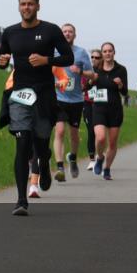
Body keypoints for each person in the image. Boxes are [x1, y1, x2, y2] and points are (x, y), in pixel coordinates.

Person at [0, 0, 73, 216]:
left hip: (44, 96)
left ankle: (45, 160)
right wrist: (0, 61)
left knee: (40, 142)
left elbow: (67, 57)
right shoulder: (10, 33)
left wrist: (46, 60)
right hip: (19, 95)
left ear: (38, 6)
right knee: (22, 143)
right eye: (23, 4)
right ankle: (21, 200)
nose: (26, 7)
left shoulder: (50, 30)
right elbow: (2, 59)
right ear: (18, 6)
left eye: (30, 4)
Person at [52, 23, 94, 181]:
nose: (67, 34)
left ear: (74, 35)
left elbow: (92, 75)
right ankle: (60, 167)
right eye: (64, 32)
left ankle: (73, 158)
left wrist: (81, 71)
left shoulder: (81, 53)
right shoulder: (54, 52)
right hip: (58, 98)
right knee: (60, 131)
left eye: (70, 32)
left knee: (74, 135)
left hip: (76, 100)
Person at [89, 42, 127, 180]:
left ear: (114, 52)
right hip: (99, 108)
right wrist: (90, 81)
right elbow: (86, 88)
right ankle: (99, 157)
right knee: (100, 137)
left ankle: (107, 168)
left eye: (110, 51)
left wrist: (121, 85)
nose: (107, 53)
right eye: (105, 51)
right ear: (102, 54)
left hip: (115, 109)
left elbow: (125, 92)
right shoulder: (96, 70)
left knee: (112, 143)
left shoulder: (121, 70)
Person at [82, 48, 102, 170]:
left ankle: (100, 154)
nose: (94, 59)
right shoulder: (86, 71)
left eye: (97, 57)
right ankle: (92, 159)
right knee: (90, 131)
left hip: (102, 104)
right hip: (88, 103)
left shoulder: (105, 71)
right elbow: (82, 87)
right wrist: (89, 81)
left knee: (100, 133)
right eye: (92, 57)